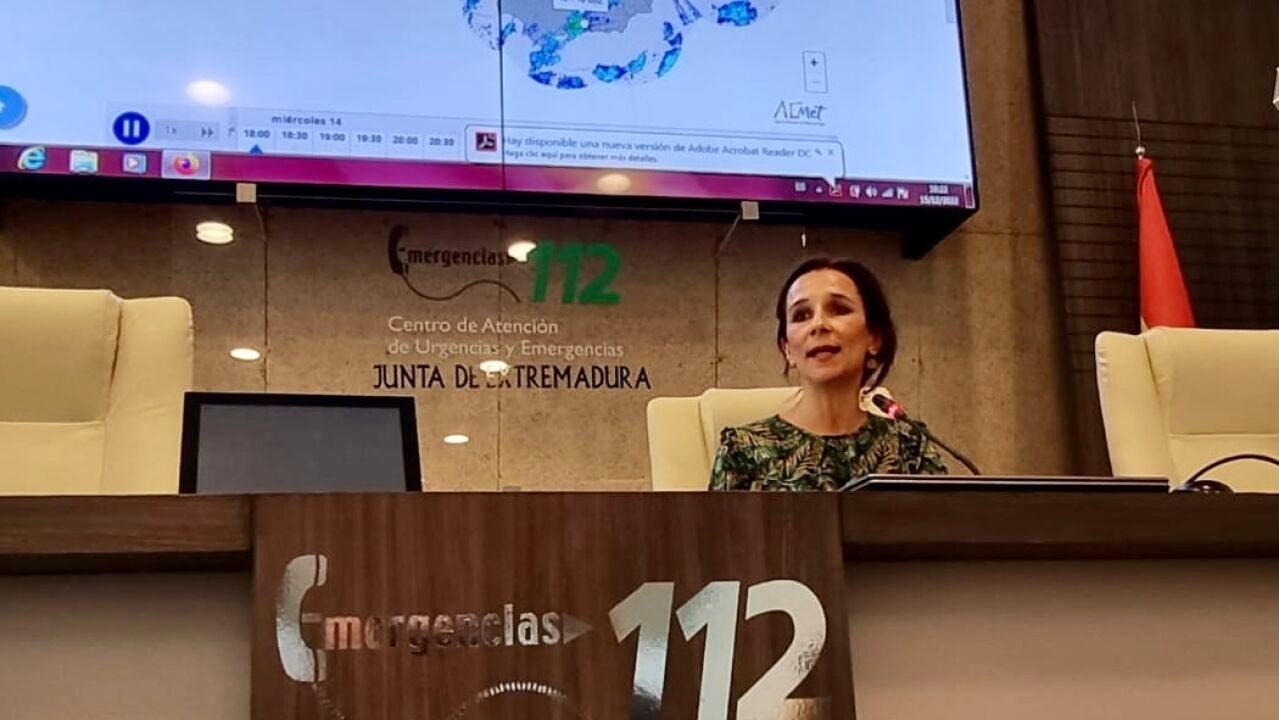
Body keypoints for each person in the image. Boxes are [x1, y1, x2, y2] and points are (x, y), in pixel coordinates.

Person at [709, 258, 946, 491]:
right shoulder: (743, 452)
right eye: (801, 315)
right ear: (787, 349)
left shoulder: (909, 445)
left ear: (874, 338)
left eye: (839, 310)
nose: (819, 325)